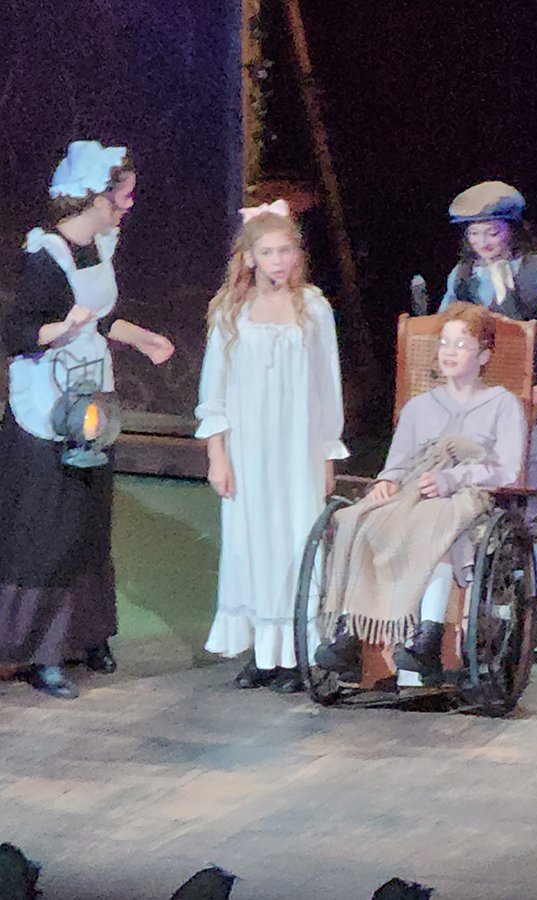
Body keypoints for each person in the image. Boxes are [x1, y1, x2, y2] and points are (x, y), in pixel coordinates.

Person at [0, 140, 175, 699]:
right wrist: (63, 330)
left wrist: (140, 338)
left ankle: (87, 636)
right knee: (49, 528)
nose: (128, 204)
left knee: (89, 521)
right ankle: (39, 652)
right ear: (96, 197)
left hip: (92, 400)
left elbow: (103, 316)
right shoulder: (43, 256)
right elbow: (17, 332)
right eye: (122, 196)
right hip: (46, 407)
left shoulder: (99, 245)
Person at [316, 303, 526, 684]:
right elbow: (396, 465)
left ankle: (428, 636)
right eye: (444, 343)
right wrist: (386, 482)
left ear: (483, 356)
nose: (449, 351)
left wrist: (453, 479)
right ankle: (350, 631)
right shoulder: (419, 407)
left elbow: (508, 470)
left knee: (433, 523)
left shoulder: (502, 404)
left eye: (461, 344)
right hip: (412, 493)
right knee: (359, 519)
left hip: (469, 496)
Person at [196, 199, 348, 694]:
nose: (278, 261)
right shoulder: (231, 311)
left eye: (285, 251)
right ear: (249, 257)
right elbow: (214, 388)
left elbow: (327, 386)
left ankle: (296, 654)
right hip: (248, 447)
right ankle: (264, 652)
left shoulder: (313, 309)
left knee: (295, 540)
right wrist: (218, 454)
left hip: (296, 447)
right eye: (267, 252)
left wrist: (327, 453)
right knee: (251, 542)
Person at [439, 181, 537, 658]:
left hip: (531, 405)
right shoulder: (463, 277)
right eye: (474, 234)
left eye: (492, 231)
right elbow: (443, 333)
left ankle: (529, 620)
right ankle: (477, 615)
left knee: (521, 504)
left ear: (511, 229)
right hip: (478, 406)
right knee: (475, 501)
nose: (483, 242)